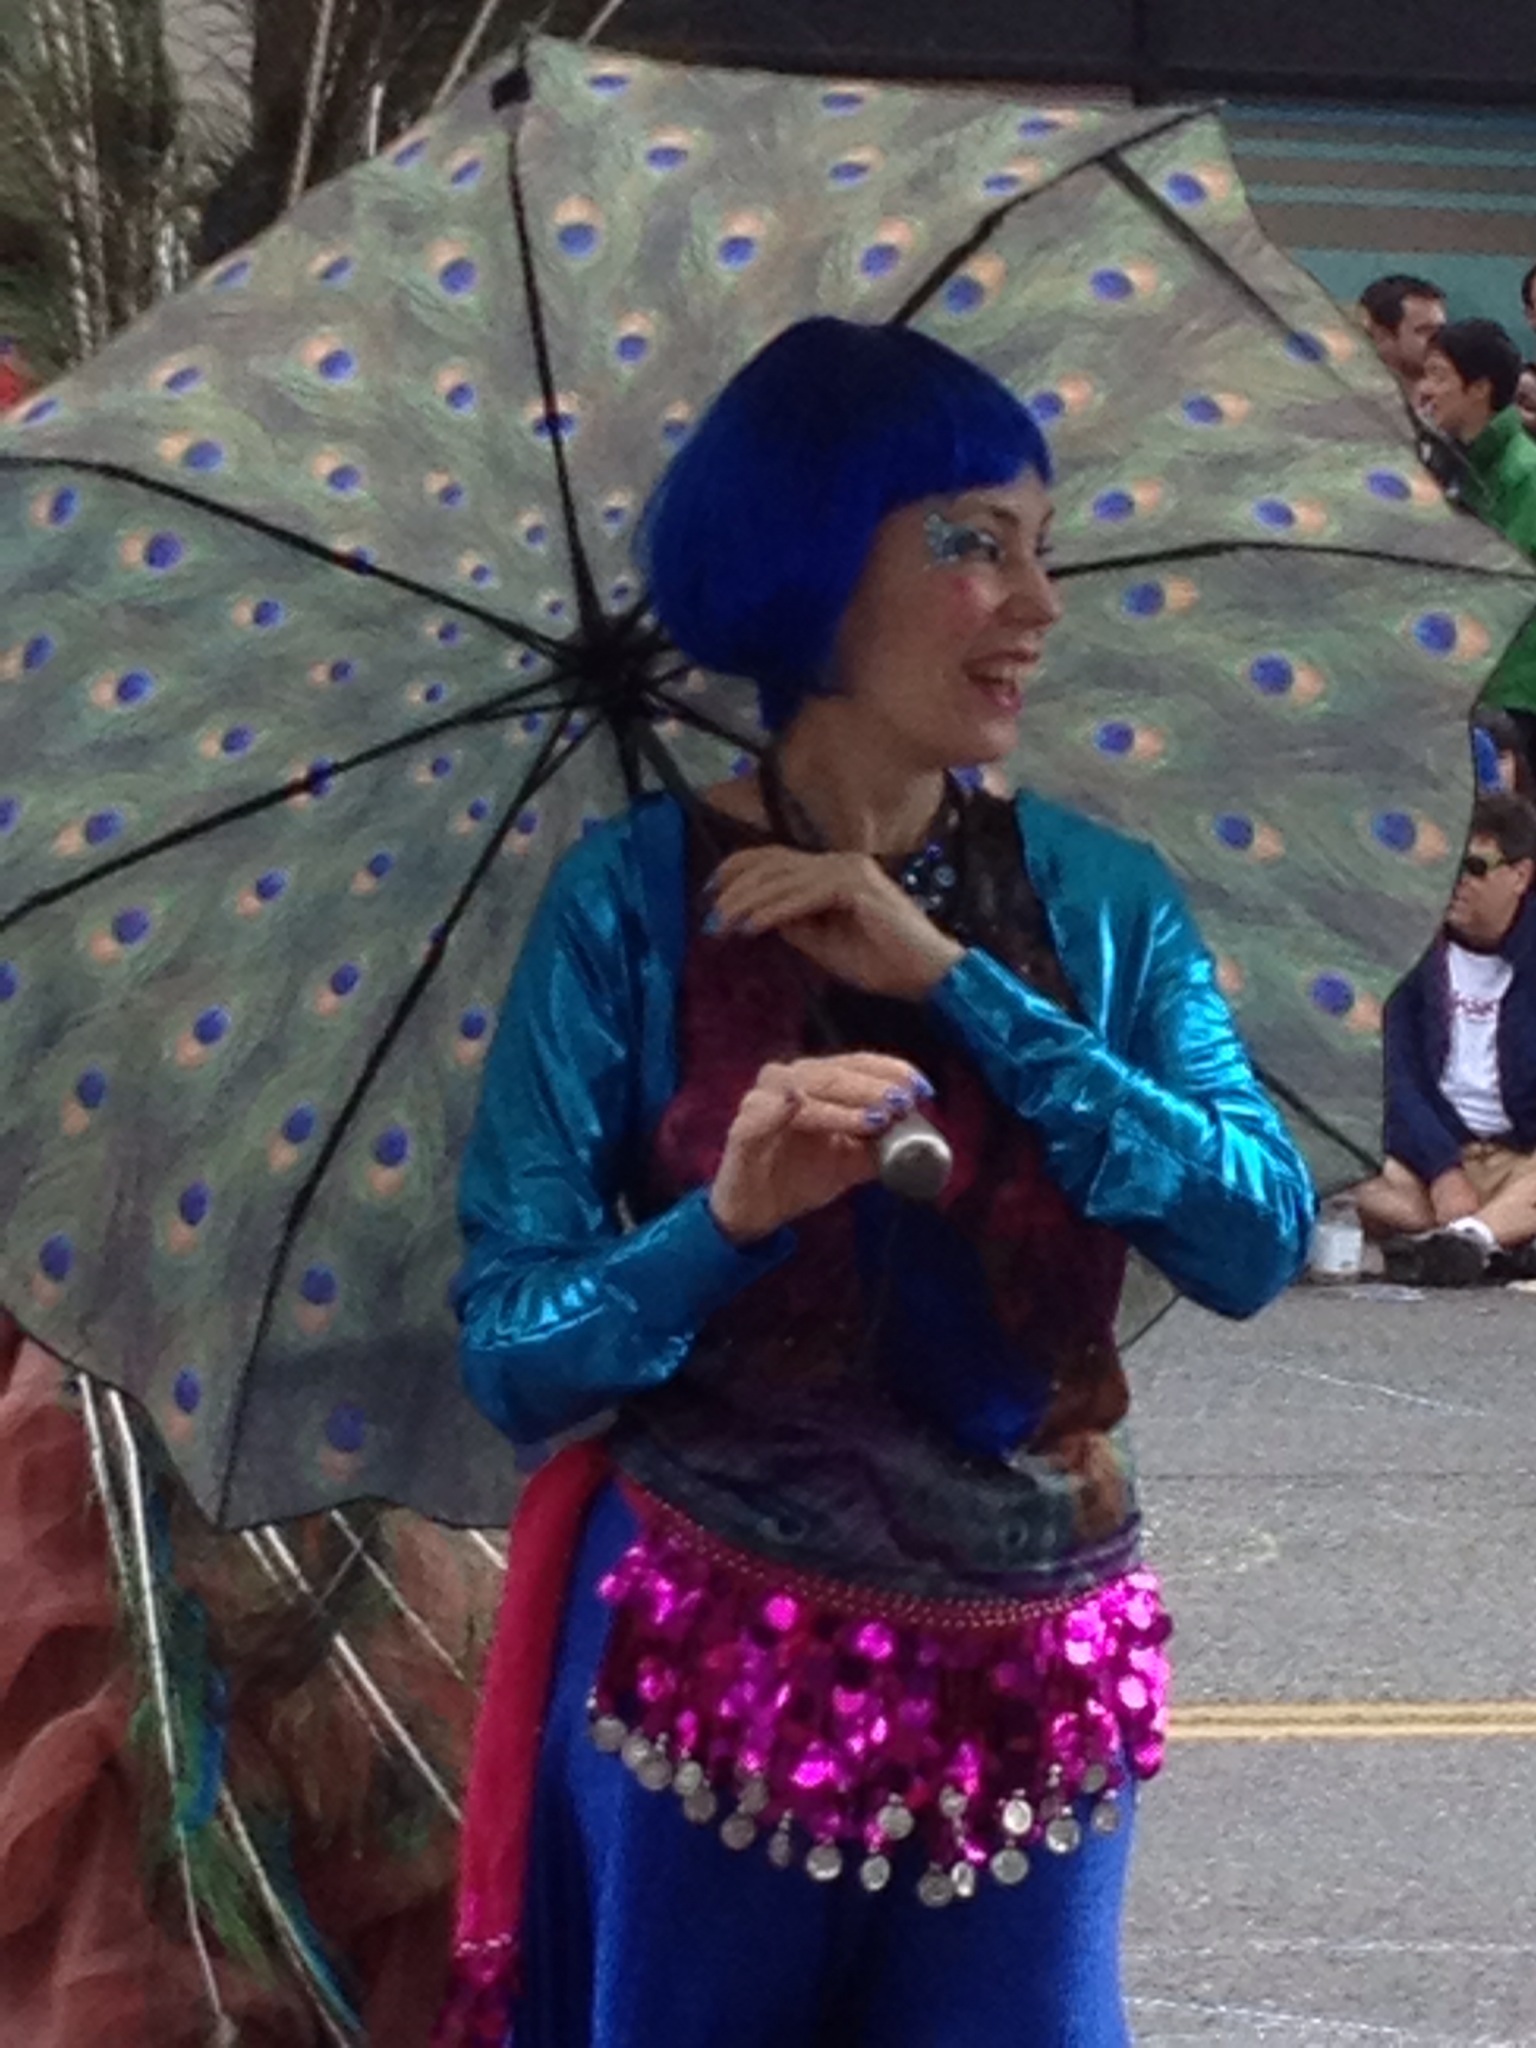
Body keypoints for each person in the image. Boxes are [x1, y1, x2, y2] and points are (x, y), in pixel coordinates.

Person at [438, 317, 1315, 2048]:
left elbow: (1251, 1235)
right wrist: (725, 1223)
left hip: (1034, 1690)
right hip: (708, 1670)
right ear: (812, 562)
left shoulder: (1100, 901)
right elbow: (514, 1349)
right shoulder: (630, 903)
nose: (1035, 605)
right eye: (971, 543)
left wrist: (961, 985)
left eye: (1041, 546)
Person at [1355, 794, 1536, 1288]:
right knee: (1341, 1159)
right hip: (1430, 1162)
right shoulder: (1413, 952)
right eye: (1451, 864)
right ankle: (1493, 1238)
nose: (1458, 881)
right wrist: (1443, 1169)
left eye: (1475, 867)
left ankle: (1467, 1240)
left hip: (1520, 1159)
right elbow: (1397, 1076)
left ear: (1520, 876)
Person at [1419, 319, 1536, 778]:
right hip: (1476, 682)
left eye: (1439, 375)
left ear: (1480, 388)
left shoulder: (1525, 474)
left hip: (1516, 691)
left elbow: (1499, 578)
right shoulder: (1453, 464)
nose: (1427, 390)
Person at [1359, 273, 1447, 394]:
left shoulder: (1456, 399)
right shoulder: (1353, 399)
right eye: (1424, 331)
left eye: (1441, 330)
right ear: (1383, 336)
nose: (1438, 340)